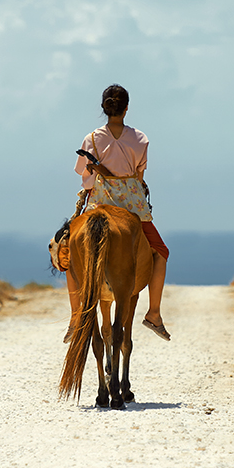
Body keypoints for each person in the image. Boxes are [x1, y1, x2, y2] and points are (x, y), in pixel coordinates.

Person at [62, 84, 171, 343]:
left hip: (99, 203)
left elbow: (82, 173)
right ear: (126, 108)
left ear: (104, 108)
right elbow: (140, 174)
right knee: (161, 252)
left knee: (69, 253)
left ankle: (76, 315)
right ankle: (154, 313)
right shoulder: (141, 139)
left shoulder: (90, 138)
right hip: (133, 206)